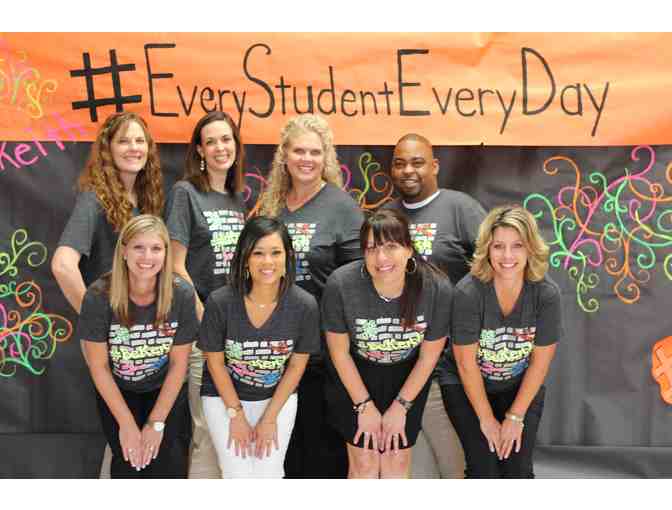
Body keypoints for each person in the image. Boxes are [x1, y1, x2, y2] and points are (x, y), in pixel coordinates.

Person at [51, 111, 164, 477]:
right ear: (107, 149)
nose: (133, 148)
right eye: (124, 141)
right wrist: (95, 323)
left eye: (139, 140)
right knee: (125, 444)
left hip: (147, 338)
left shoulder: (145, 199)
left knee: (141, 447)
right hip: (114, 342)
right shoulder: (95, 199)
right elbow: (63, 264)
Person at [258, 113, 364, 478]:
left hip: (324, 353)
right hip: (275, 351)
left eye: (315, 152)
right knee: (282, 454)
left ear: (326, 157)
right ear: (284, 155)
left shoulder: (341, 207)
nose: (307, 159)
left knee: (321, 452)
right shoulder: (272, 206)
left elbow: (358, 280)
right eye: (299, 150)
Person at [384, 133, 486, 478]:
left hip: (451, 361)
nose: (408, 171)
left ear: (435, 166)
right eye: (400, 163)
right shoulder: (386, 216)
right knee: (416, 464)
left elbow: (493, 269)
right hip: (401, 360)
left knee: (456, 457)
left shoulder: (461, 208)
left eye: (417, 162)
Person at [322, 209, 453, 478]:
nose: (381, 258)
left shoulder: (436, 288)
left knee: (396, 459)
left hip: (407, 374)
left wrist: (401, 406)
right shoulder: (341, 284)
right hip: (355, 373)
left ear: (409, 249)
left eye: (391, 247)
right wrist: (364, 405)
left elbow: (429, 357)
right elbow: (340, 353)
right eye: (371, 248)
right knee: (364, 461)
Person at [438, 204, 563, 478]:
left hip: (517, 385)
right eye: (498, 246)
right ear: (487, 249)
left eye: (517, 245)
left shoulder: (546, 294)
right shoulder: (468, 293)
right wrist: (486, 419)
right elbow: (465, 364)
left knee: (517, 471)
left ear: (530, 248)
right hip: (465, 383)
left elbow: (540, 364)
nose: (507, 256)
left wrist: (515, 417)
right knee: (484, 470)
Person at [76, 214, 198, 478]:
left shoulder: (182, 294)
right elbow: (99, 366)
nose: (147, 256)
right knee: (130, 463)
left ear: (166, 253)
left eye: (156, 248)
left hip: (164, 387)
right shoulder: (98, 296)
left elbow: (179, 364)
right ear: (124, 251)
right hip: (119, 389)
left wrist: (156, 423)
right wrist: (127, 425)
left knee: (164, 463)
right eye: (139, 247)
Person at [198, 216, 320, 478]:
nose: (267, 262)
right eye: (258, 253)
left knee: (269, 472)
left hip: (276, 398)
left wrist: (270, 418)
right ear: (245, 258)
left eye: (276, 253)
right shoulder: (220, 302)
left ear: (287, 257)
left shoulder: (304, 305)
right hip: (224, 397)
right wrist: (236, 414)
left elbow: (296, 366)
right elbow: (215, 364)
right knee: (237, 472)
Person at [164, 111, 247, 477]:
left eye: (226, 139)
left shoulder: (235, 198)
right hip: (200, 332)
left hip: (233, 331)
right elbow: (175, 266)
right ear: (199, 150)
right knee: (205, 430)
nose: (219, 148)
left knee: (229, 427)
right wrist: (205, 319)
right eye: (210, 141)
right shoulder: (185, 193)